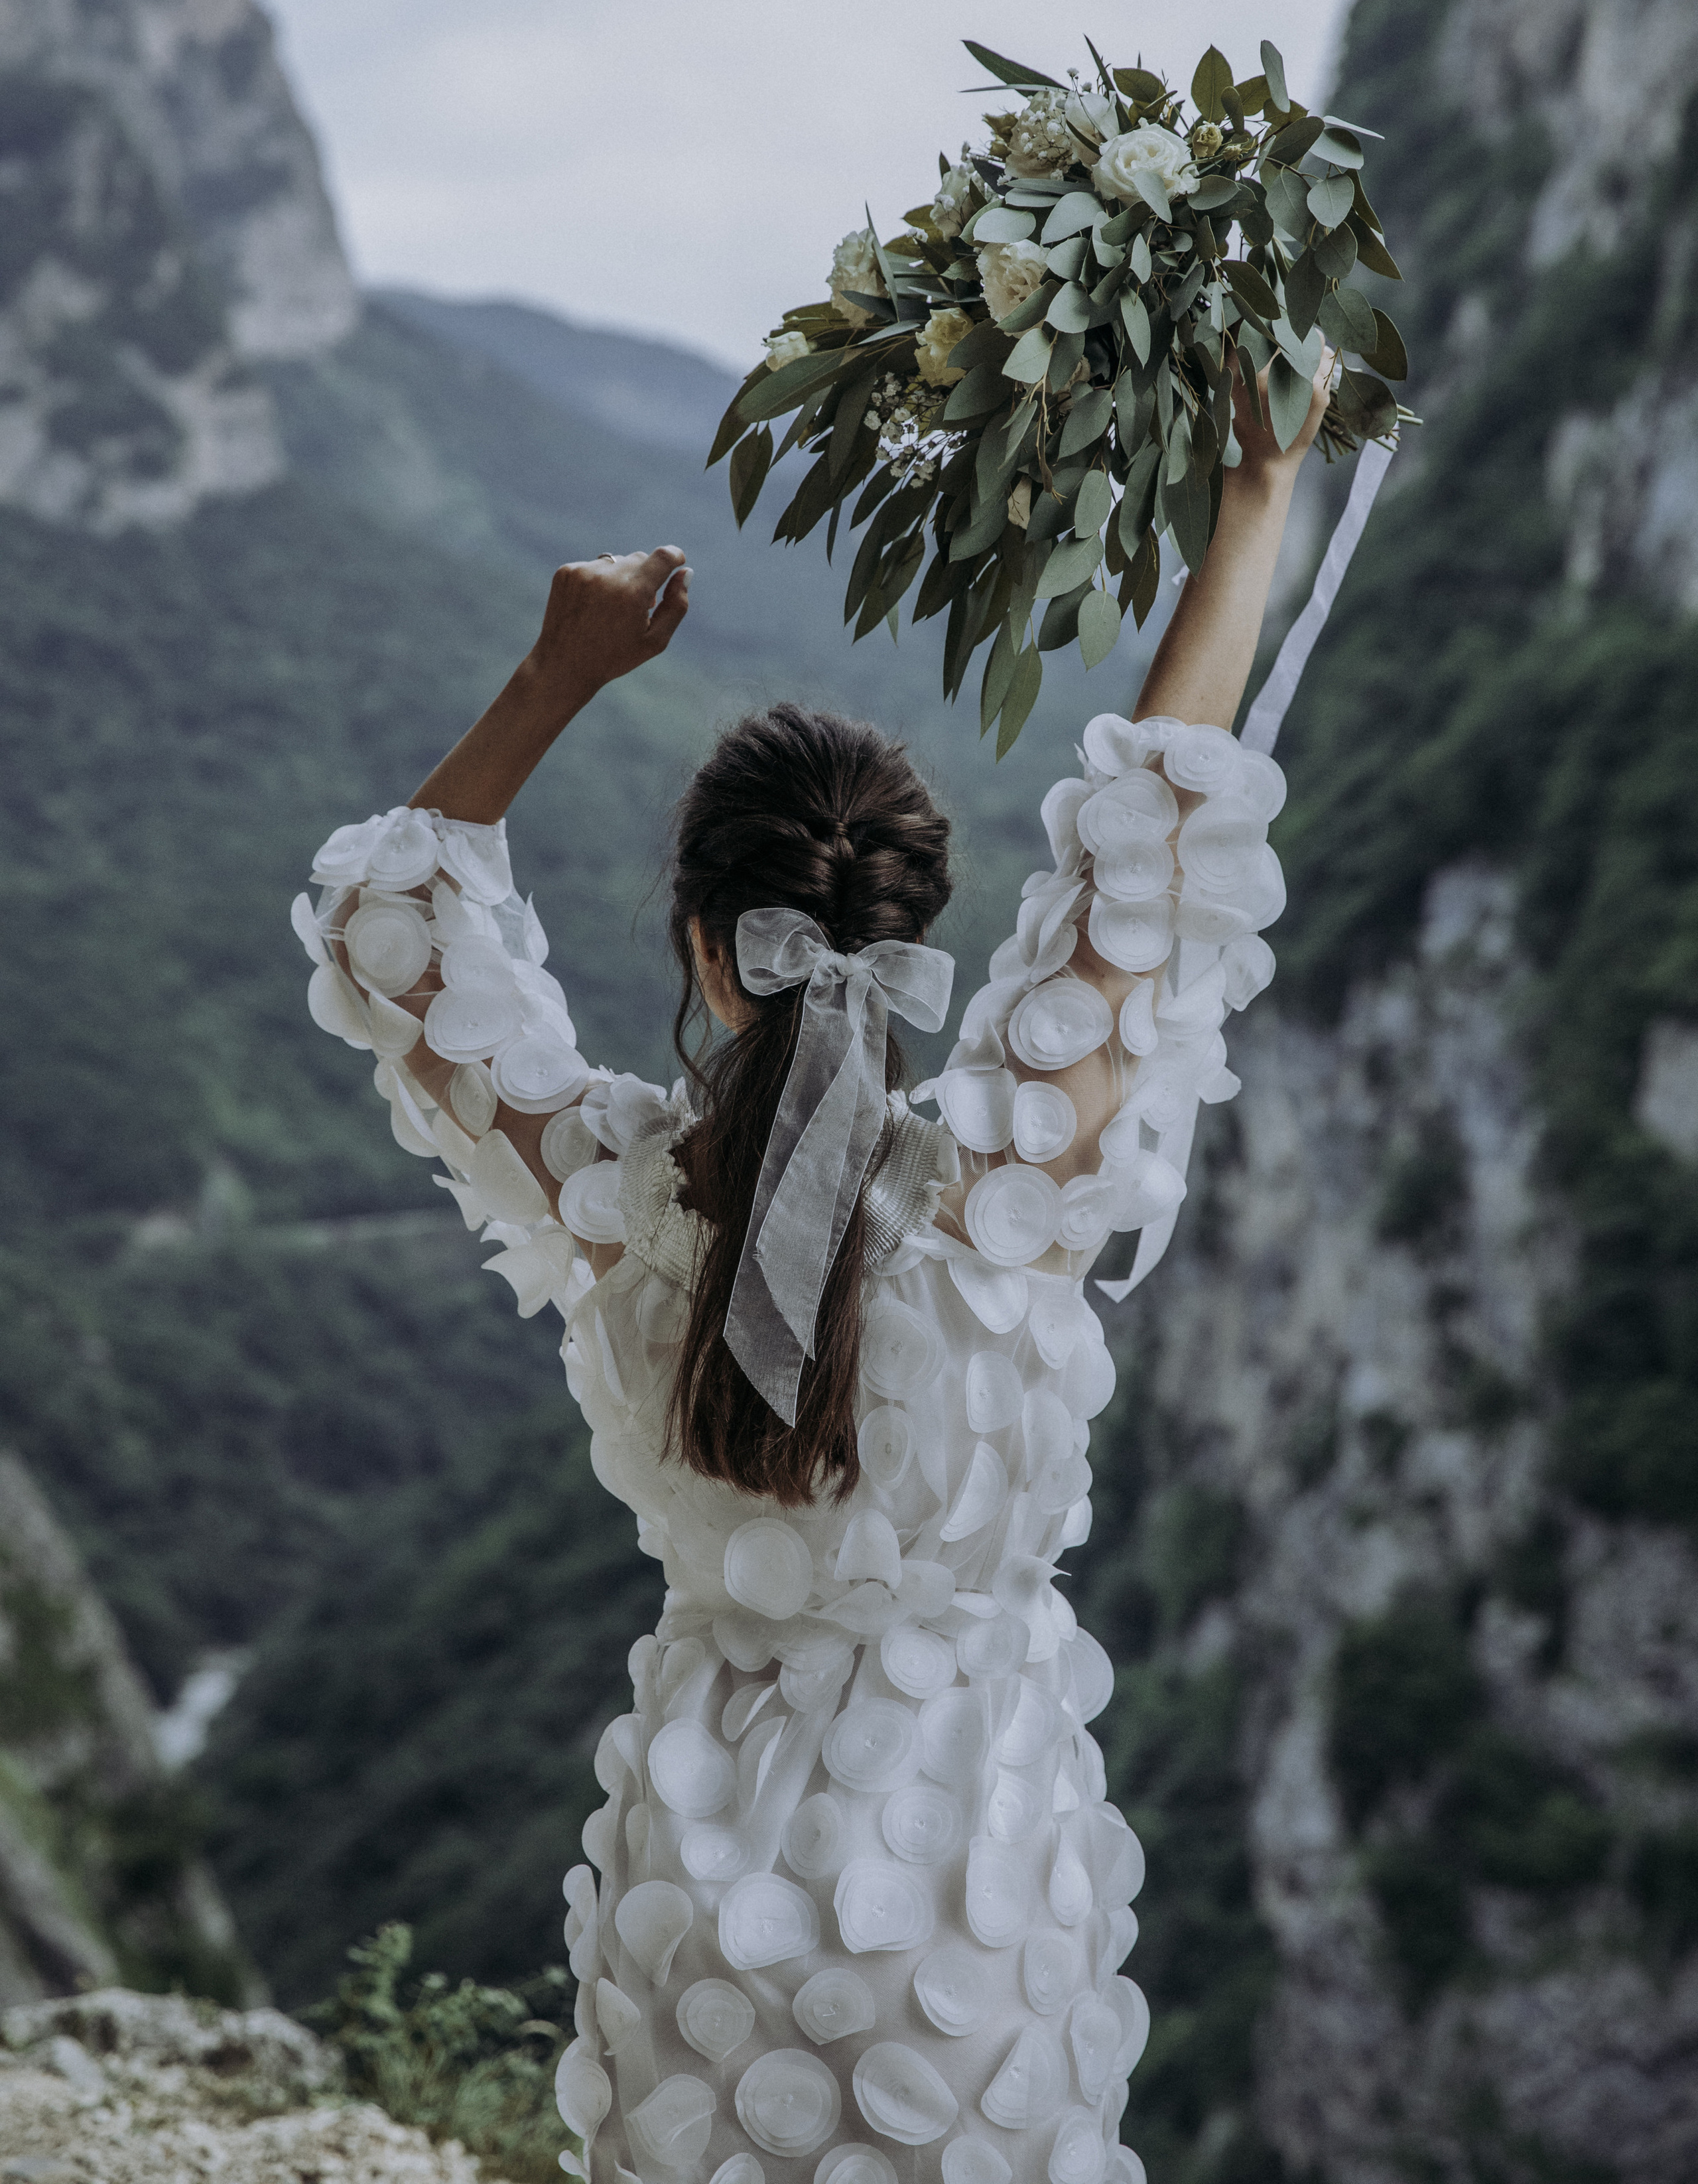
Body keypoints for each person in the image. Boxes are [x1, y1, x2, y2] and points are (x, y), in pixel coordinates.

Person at [294, 353, 1335, 2184]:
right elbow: (1152, 859)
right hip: (968, 1874)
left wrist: (557, 674)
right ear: (915, 931)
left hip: (705, 1892)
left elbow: (394, 929)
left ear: (704, 947)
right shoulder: (1011, 1183)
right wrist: (1250, 499)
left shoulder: (622, 1200)